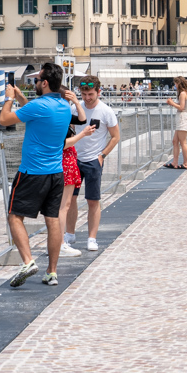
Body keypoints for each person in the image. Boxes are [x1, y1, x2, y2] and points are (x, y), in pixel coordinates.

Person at [0, 62, 74, 288]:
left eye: (36, 80)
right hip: (56, 173)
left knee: (14, 216)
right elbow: (36, 113)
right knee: (52, 221)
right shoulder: (63, 106)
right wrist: (23, 99)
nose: (35, 83)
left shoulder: (39, 106)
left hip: (32, 172)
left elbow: (4, 120)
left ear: (44, 83)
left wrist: (9, 97)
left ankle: (28, 261)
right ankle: (52, 272)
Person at [64, 75, 120, 253]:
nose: (87, 98)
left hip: (94, 160)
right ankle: (70, 234)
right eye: (84, 94)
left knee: (93, 200)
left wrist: (102, 155)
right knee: (70, 199)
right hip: (74, 159)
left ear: (98, 92)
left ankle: (92, 238)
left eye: (90, 94)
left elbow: (116, 137)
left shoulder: (106, 111)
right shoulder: (75, 108)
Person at [57, 114, 95, 261]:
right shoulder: (58, 120)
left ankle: (59, 242)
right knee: (62, 207)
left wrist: (74, 100)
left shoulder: (62, 117)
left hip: (68, 163)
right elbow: (62, 143)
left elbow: (82, 119)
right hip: (65, 164)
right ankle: (59, 243)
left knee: (64, 206)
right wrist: (82, 134)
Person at [164, 76, 187, 169]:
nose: (175, 85)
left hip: (182, 118)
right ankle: (175, 162)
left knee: (183, 142)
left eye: (176, 83)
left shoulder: (182, 94)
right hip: (181, 118)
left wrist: (172, 103)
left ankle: (186, 163)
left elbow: (181, 107)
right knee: (175, 141)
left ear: (179, 84)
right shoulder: (184, 93)